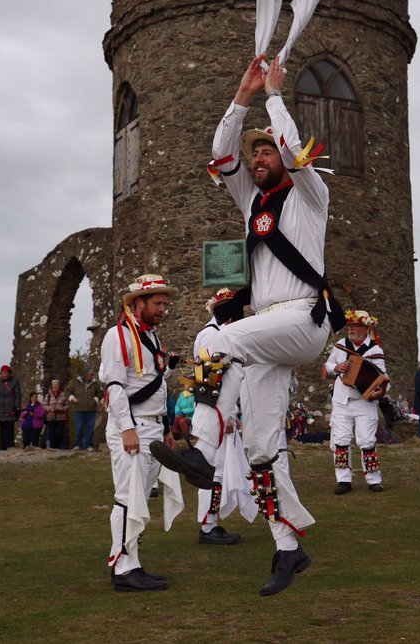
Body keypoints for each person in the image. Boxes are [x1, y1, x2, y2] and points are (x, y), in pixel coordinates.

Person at [151, 54, 341, 597]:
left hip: (304, 320)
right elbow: (219, 153)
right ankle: (288, 548)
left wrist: (276, 96)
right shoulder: (251, 199)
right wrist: (242, 94)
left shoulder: (311, 197)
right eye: (255, 151)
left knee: (214, 336)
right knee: (261, 447)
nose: (259, 157)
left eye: (267, 150)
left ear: (282, 156)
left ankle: (203, 453)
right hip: (268, 331)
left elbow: (295, 153)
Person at [100, 274, 178, 592]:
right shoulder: (117, 336)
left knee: (140, 499)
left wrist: (167, 428)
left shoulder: (152, 337)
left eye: (165, 303)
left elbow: (152, 383)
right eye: (158, 303)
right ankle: (121, 567)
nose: (163, 309)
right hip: (130, 427)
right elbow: (116, 387)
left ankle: (133, 562)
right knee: (126, 498)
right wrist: (128, 429)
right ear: (139, 303)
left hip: (152, 426)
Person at [190, 287, 246, 546]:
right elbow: (217, 381)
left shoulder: (214, 334)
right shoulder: (214, 336)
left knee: (217, 470)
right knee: (214, 470)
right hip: (215, 412)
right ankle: (207, 526)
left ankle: (210, 522)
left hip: (216, 411)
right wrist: (229, 415)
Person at [323, 310, 386, 494]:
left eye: (356, 326)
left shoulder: (375, 350)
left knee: (366, 440)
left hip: (364, 402)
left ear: (366, 328)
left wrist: (378, 390)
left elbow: (381, 377)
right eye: (350, 326)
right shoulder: (341, 345)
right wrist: (336, 367)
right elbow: (327, 367)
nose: (351, 329)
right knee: (341, 439)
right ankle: (343, 480)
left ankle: (374, 480)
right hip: (342, 400)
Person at [0, 365, 22, 451]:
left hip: (10, 409)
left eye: (5, 373)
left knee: (9, 429)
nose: (4, 374)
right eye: (2, 373)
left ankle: (10, 447)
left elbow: (17, 396)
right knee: (2, 430)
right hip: (0, 410)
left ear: (9, 373)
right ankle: (3, 448)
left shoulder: (15, 382)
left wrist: (17, 407)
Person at [71, 370, 100, 450]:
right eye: (90, 374)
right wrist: (72, 398)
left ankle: (89, 445)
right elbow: (67, 391)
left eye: (92, 374)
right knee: (79, 427)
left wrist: (96, 399)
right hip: (79, 409)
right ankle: (78, 445)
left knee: (90, 428)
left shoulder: (95, 383)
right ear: (85, 374)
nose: (92, 376)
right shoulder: (75, 382)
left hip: (91, 409)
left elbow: (100, 393)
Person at [44, 379, 69, 449]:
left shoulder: (63, 395)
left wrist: (61, 409)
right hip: (50, 417)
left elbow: (67, 406)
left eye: (56, 385)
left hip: (60, 417)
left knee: (59, 433)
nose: (55, 386)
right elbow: (44, 405)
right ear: (52, 386)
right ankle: (50, 448)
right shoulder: (48, 395)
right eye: (53, 385)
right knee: (50, 433)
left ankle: (58, 448)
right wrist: (50, 409)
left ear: (59, 386)